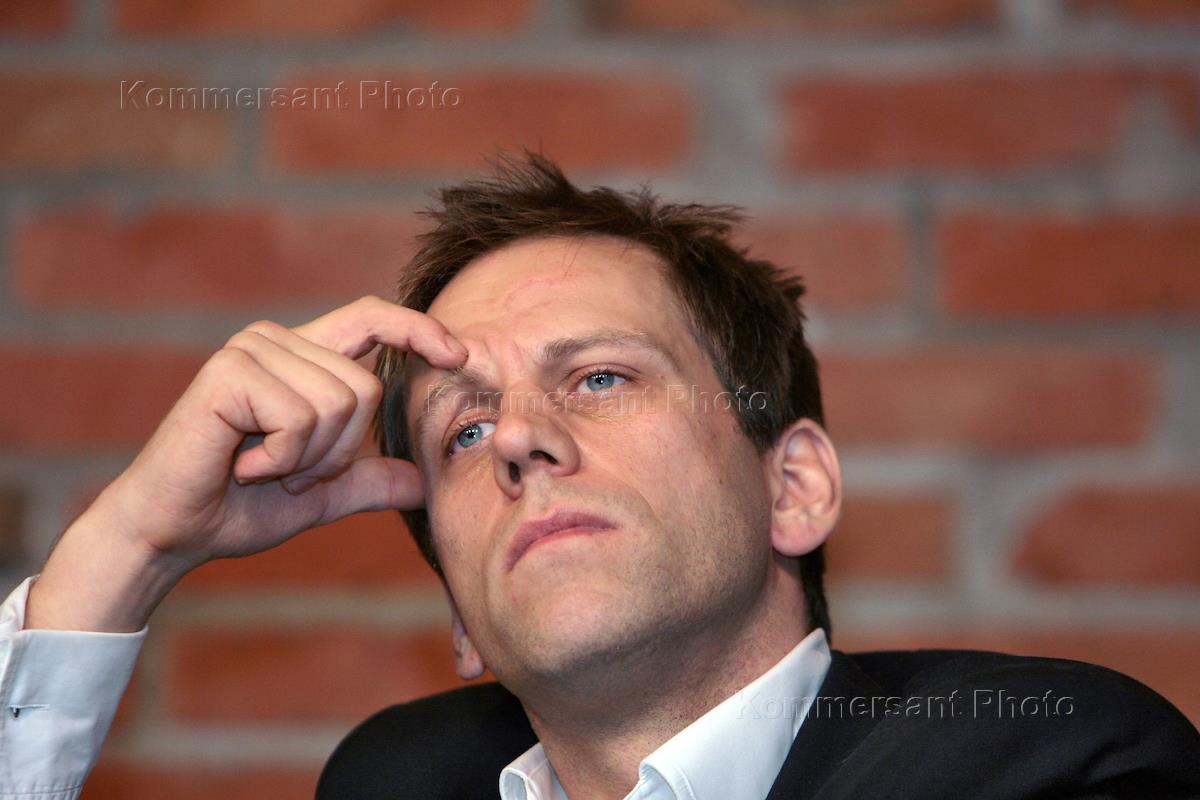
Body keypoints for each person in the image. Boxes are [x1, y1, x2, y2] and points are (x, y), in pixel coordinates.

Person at [1, 154, 1197, 800]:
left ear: (793, 486)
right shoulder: (395, 786)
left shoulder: (1043, 762)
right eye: (465, 429)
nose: (520, 438)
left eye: (602, 377)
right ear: (460, 616)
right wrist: (125, 554)